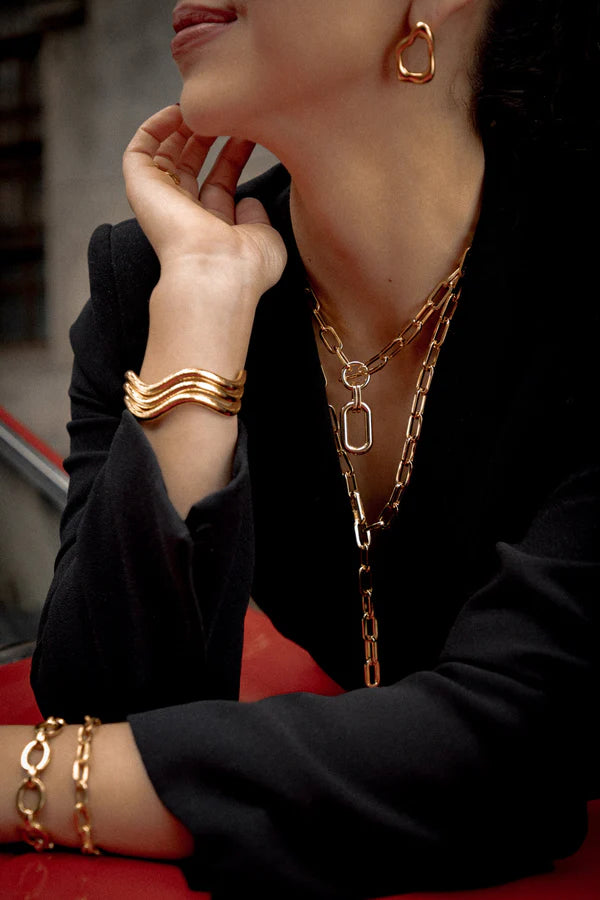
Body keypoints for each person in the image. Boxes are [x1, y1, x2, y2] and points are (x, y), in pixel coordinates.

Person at [1, 0, 598, 897]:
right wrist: (202, 307)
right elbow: (108, 719)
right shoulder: (156, 287)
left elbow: (523, 750)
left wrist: (18, 779)